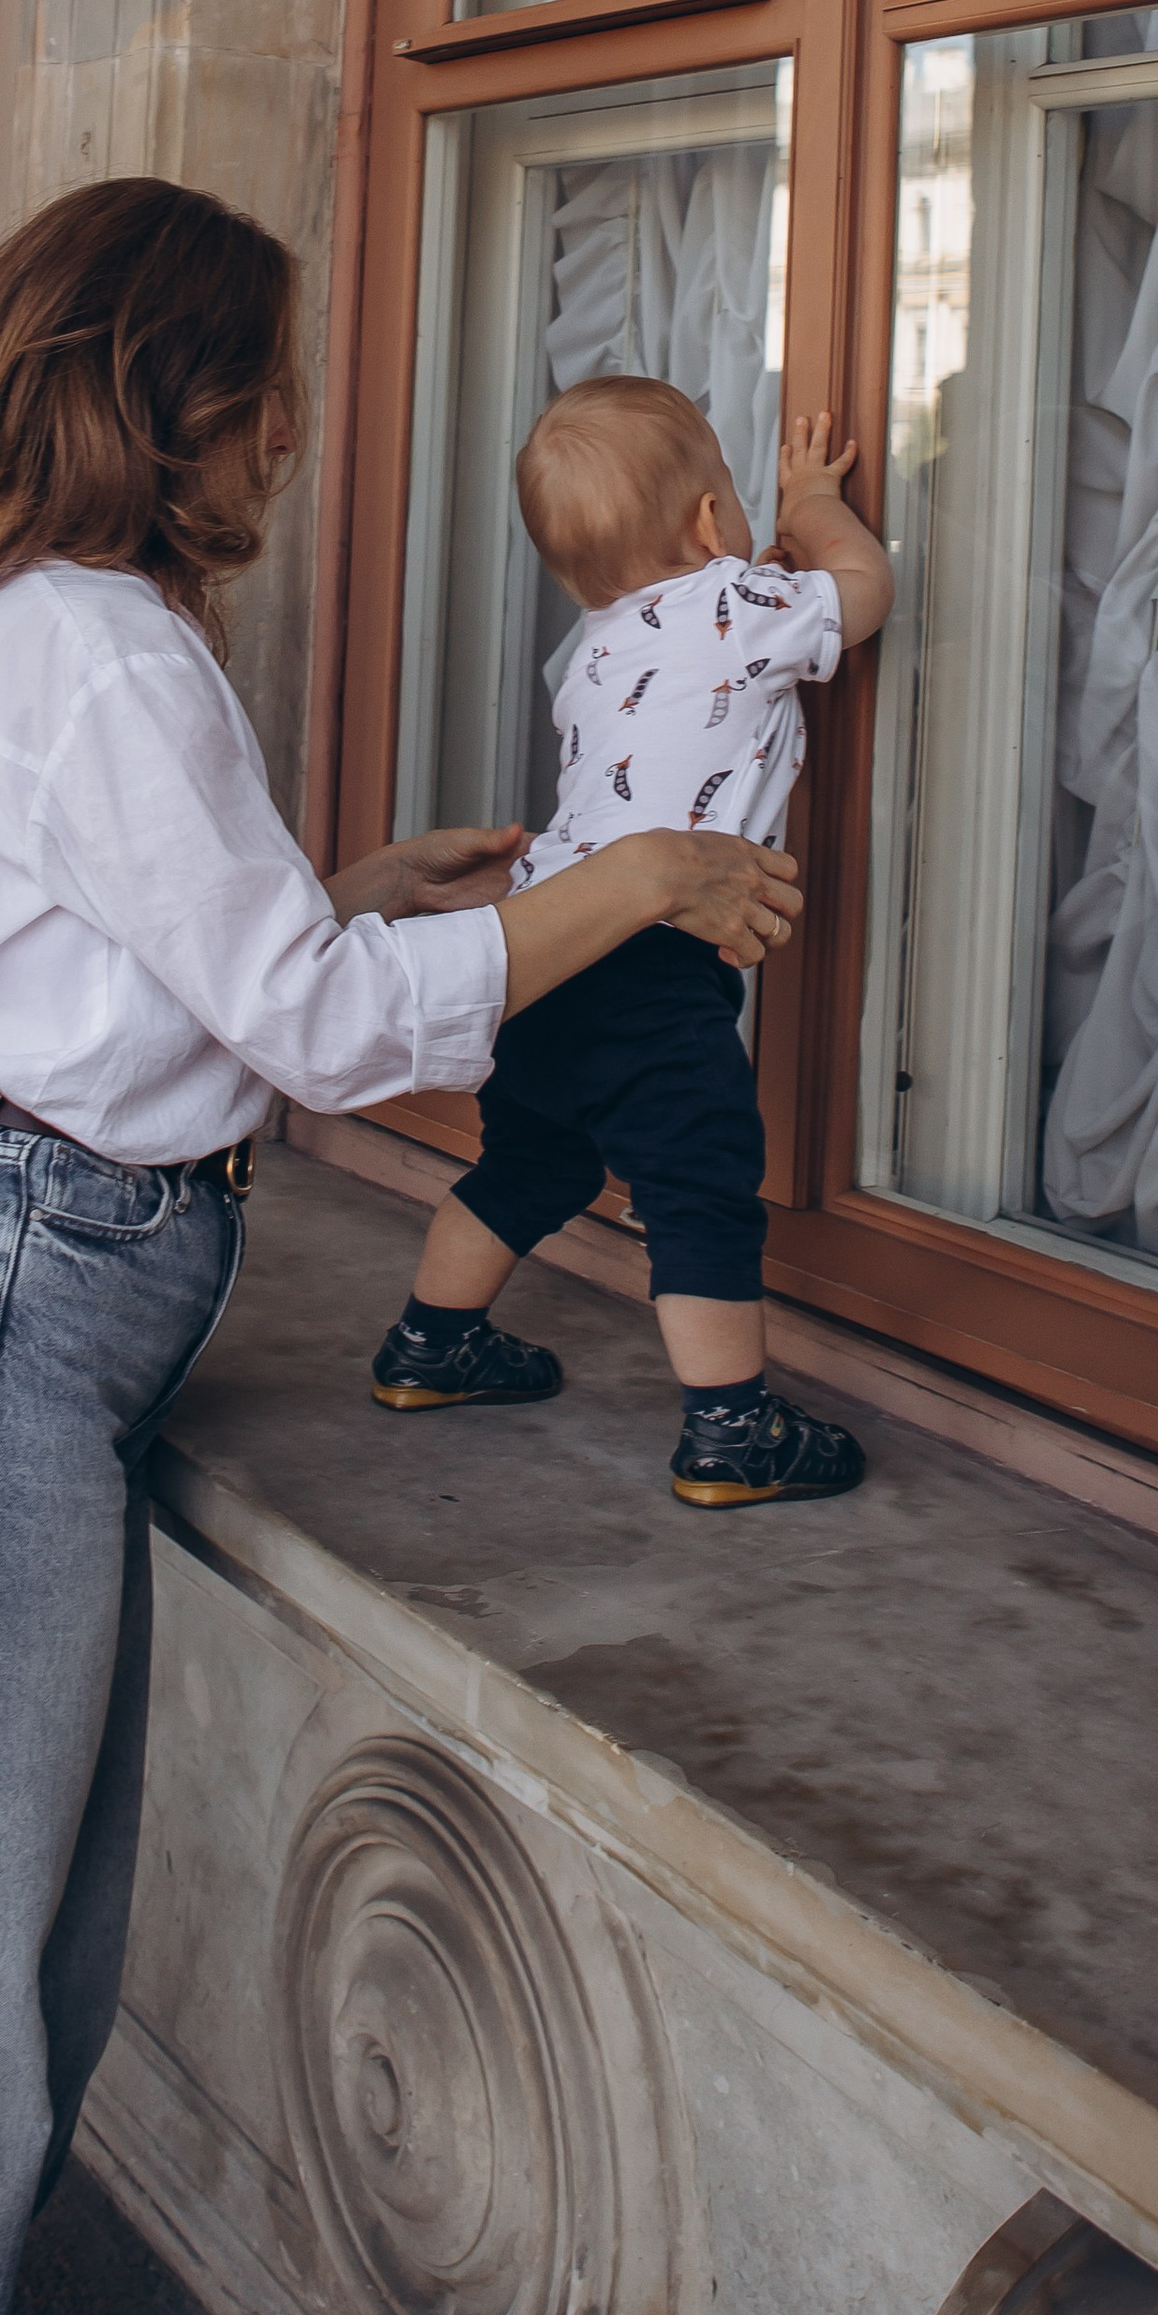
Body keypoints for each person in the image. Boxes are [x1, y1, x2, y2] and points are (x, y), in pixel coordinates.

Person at [0, 181, 798, 2315]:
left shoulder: (69, 637)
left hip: (9, 1314)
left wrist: (356, 882)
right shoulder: (103, 648)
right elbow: (317, 1032)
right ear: (178, 402)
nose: (294, 426)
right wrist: (642, 874)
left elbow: (189, 966)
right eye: (270, 380)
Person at [367, 377, 893, 1505]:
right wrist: (810, 506)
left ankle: (428, 1347)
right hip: (649, 958)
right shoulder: (734, 600)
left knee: (526, 1159)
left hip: (545, 946)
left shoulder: (593, 652)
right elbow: (862, 591)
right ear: (711, 524)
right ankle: (730, 1428)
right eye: (737, 501)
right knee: (699, 1185)